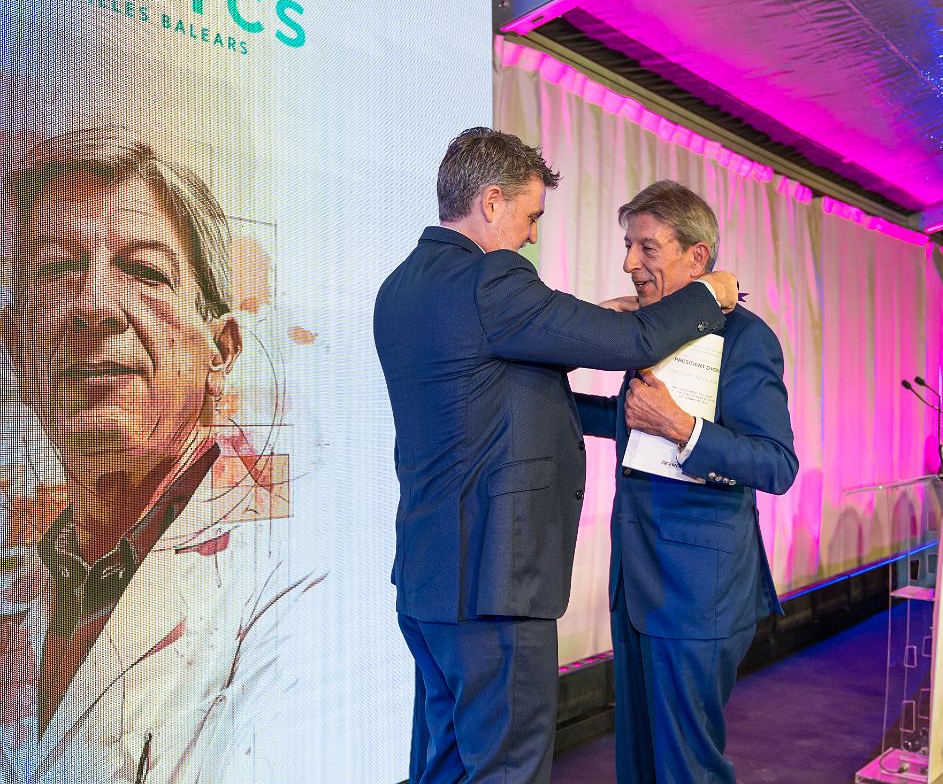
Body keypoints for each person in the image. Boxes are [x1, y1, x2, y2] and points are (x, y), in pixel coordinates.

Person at [374, 129, 740, 783]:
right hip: (493, 587)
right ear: (492, 202)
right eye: (530, 215)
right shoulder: (493, 278)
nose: (532, 235)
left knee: (444, 767)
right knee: (508, 769)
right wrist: (710, 294)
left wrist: (590, 318)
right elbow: (633, 342)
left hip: (428, 584)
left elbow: (487, 368)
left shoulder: (400, 287)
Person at [0, 126, 320, 782]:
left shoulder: (291, 581)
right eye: (55, 271)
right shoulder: (29, 581)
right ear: (16, 346)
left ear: (221, 350)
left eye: (146, 272)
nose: (94, 306)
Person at [574, 180, 798, 784]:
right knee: (640, 764)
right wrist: (540, 396)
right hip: (636, 582)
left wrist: (682, 427)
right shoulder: (652, 328)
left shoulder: (748, 339)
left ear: (696, 258)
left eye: (646, 248)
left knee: (687, 770)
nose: (629, 264)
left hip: (699, 593)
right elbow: (630, 422)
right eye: (628, 246)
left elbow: (777, 464)